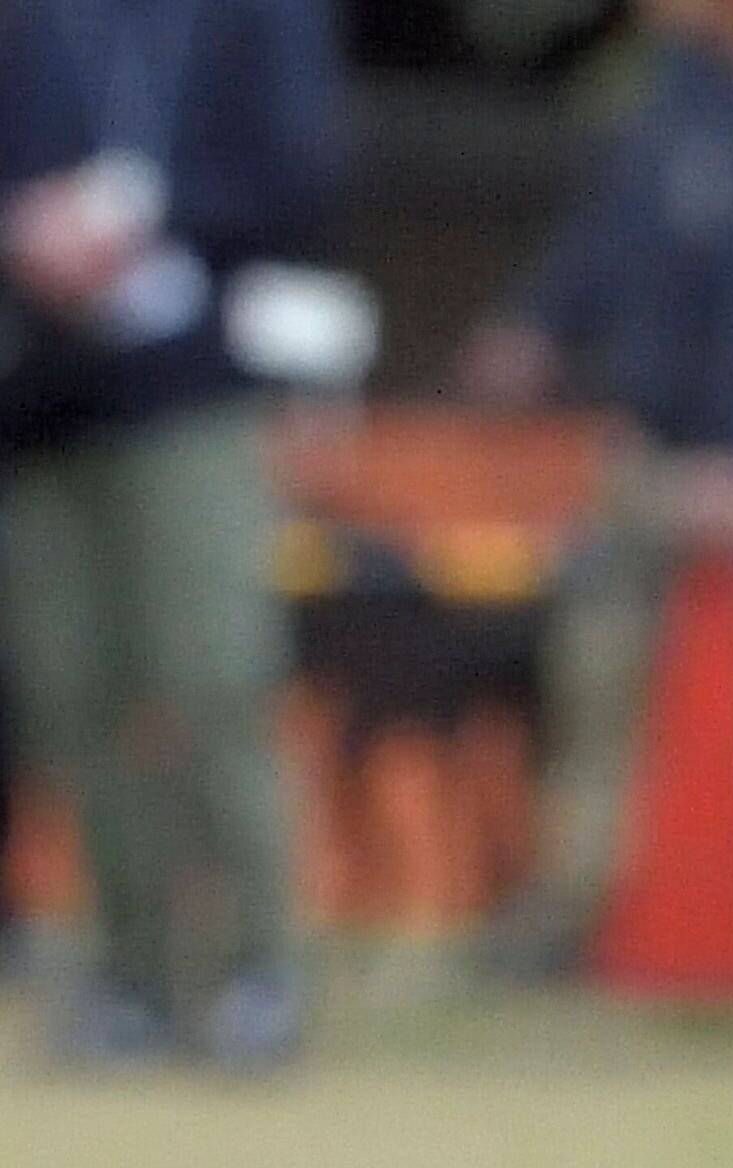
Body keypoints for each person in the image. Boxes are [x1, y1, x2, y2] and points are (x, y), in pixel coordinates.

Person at [465, 0, 733, 998]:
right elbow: (614, 241)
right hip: (648, 450)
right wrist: (535, 327)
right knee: (596, 680)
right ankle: (574, 919)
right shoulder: (674, 94)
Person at [0, 0, 346, 1068]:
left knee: (214, 676)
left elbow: (301, 167)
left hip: (188, 393)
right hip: (37, 399)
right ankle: (133, 975)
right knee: (76, 697)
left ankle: (259, 968)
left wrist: (139, 216)